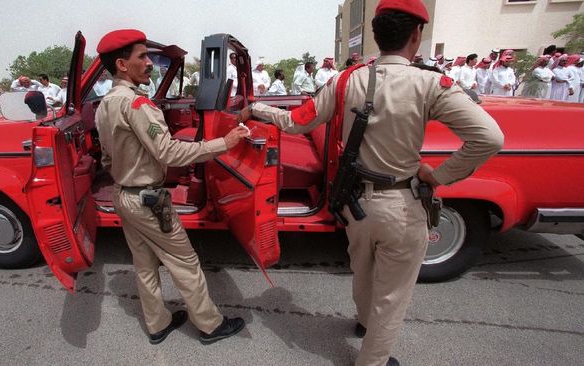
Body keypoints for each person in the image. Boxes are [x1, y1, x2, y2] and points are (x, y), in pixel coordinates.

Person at [236, 1, 503, 364]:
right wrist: (439, 176)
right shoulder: (431, 83)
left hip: (356, 202)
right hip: (403, 204)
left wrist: (257, 109)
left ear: (376, 37)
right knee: (392, 295)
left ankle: (363, 321)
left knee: (362, 268)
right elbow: (489, 138)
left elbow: (296, 122)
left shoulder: (347, 79)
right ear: (416, 35)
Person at [93, 29, 248, 346]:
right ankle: (209, 325)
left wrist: (128, 171)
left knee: (145, 265)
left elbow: (107, 158)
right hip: (149, 201)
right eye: (143, 56)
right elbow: (170, 152)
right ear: (123, 65)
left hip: (123, 196)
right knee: (186, 263)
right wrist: (224, 143)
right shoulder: (137, 105)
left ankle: (158, 323)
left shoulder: (105, 105)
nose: (149, 62)